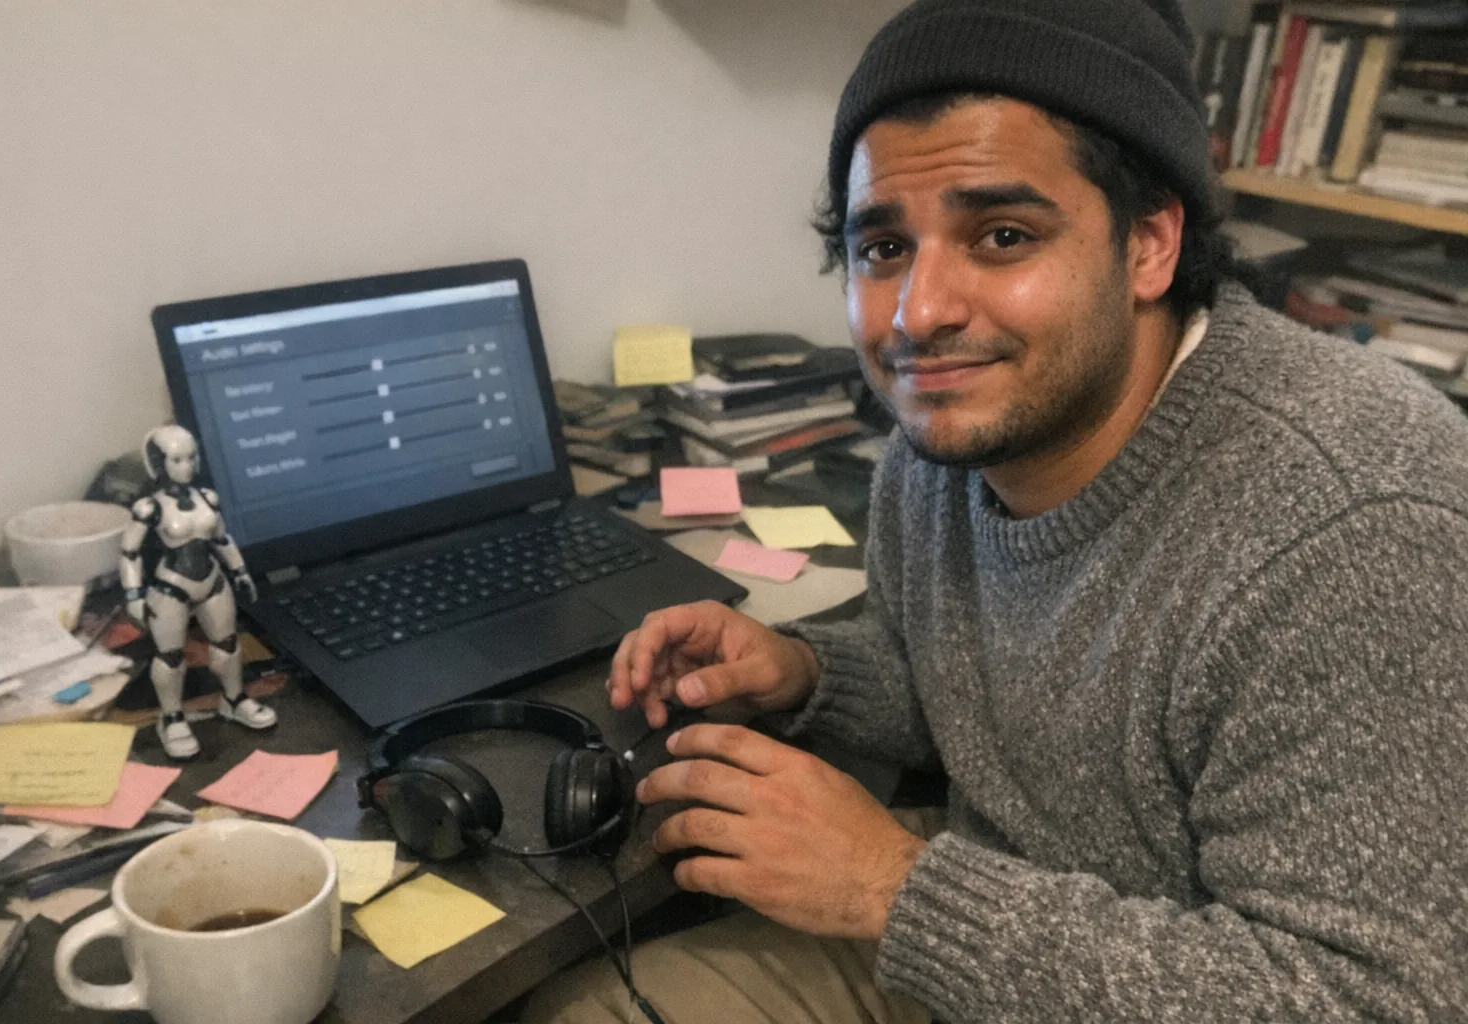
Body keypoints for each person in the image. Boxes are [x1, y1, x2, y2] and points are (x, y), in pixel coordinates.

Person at [525, 0, 1468, 1020]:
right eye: (882, 248)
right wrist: (806, 672)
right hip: (1003, 936)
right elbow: (980, 696)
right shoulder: (942, 447)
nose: (920, 313)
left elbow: (1364, 999)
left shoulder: (1354, 521)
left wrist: (892, 888)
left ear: (1150, 243)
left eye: (1003, 234)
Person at [120, 425, 277, 759]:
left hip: (212, 581)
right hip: (171, 585)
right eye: (177, 459)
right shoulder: (150, 507)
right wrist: (133, 595)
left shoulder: (207, 498)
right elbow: (130, 553)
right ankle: (172, 716)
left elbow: (221, 539)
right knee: (170, 655)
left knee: (227, 644)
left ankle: (234, 699)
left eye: (191, 457)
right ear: (160, 464)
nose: (187, 465)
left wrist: (240, 571)